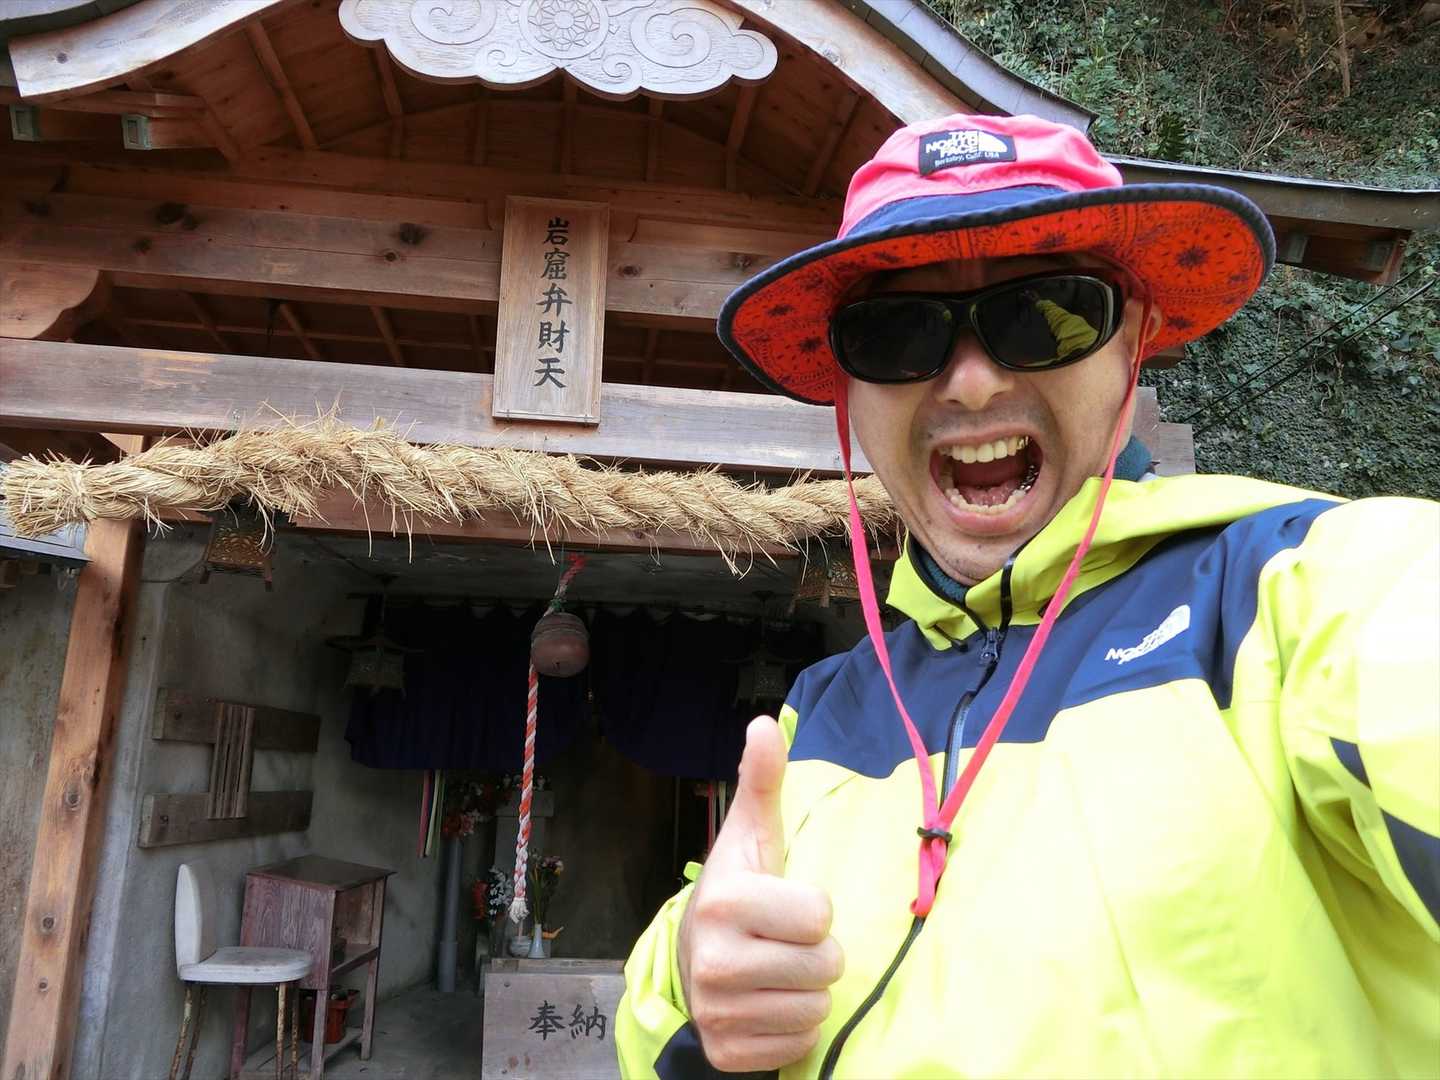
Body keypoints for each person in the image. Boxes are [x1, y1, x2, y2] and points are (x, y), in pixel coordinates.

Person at [615, 114, 1440, 1079]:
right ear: (847, 390)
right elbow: (661, 1017)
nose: (971, 383)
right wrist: (697, 983)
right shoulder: (815, 716)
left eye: (1047, 313)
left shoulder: (1300, 590)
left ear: (1132, 340)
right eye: (895, 333)